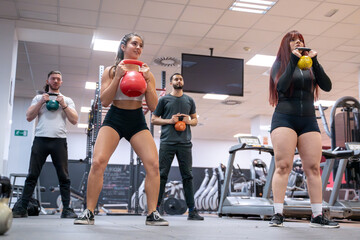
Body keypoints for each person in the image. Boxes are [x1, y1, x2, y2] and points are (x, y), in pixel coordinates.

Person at [74, 33, 168, 226]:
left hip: (136, 121)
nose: (138, 47)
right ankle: (89, 212)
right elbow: (106, 101)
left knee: (153, 165)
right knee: (98, 162)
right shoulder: (110, 70)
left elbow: (153, 106)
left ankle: (152, 214)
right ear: (123, 46)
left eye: (141, 45)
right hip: (115, 118)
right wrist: (117, 76)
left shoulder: (146, 72)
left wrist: (148, 81)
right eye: (134, 43)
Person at [268, 30, 339, 228]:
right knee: (283, 166)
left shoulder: (309, 67)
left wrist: (314, 62)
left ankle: (317, 216)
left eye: (300, 40)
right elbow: (281, 87)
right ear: (286, 45)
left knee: (313, 168)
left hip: (308, 120)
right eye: (293, 40)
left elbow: (327, 86)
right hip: (284, 119)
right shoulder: (279, 65)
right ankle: (278, 213)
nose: (298, 42)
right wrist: (292, 59)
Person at [12, 70, 79, 219]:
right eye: (53, 78)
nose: (55, 81)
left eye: (58, 79)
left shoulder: (67, 100)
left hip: (59, 140)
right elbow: (29, 117)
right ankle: (22, 208)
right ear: (48, 81)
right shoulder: (38, 98)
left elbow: (75, 120)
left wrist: (64, 105)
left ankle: (67, 209)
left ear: (61, 82)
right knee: (32, 175)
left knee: (64, 177)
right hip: (41, 139)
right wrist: (42, 102)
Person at [151, 73, 204, 221]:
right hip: (167, 142)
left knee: (188, 176)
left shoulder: (189, 100)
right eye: (176, 79)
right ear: (171, 82)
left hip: (185, 143)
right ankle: (155, 210)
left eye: (181, 78)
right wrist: (170, 121)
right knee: (161, 175)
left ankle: (192, 211)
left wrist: (188, 121)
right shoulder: (164, 100)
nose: (179, 80)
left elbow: (195, 121)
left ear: (183, 82)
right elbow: (154, 119)